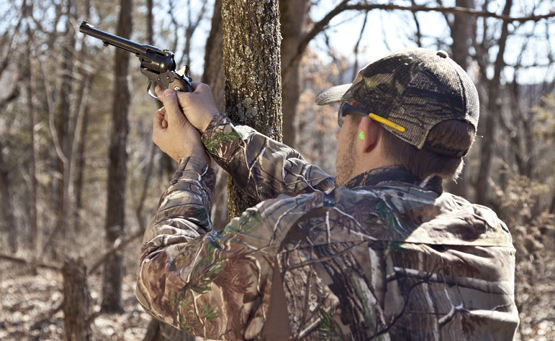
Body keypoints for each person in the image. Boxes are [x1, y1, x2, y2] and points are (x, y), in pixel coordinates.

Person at [135, 48, 519, 340]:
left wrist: (192, 163)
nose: (340, 132)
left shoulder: (295, 231)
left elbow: (157, 275)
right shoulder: (490, 238)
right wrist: (220, 132)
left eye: (344, 117)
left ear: (367, 131)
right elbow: (349, 205)